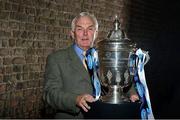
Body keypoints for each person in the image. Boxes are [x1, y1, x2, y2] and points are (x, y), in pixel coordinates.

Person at [43, 12, 139, 119]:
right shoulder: (56, 59)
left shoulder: (105, 55)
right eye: (80, 29)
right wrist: (75, 99)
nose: (85, 33)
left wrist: (132, 93)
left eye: (90, 29)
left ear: (96, 33)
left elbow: (119, 76)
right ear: (72, 33)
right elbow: (49, 94)